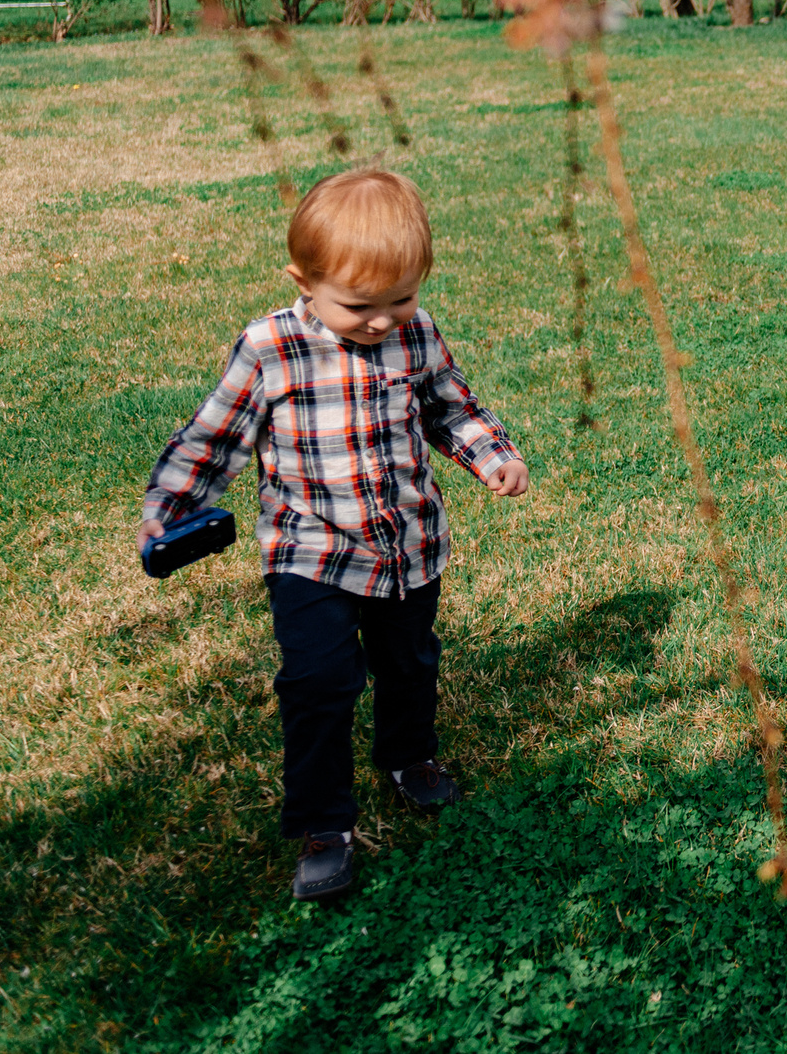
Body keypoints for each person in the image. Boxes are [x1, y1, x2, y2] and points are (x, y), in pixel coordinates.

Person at [138, 169, 528, 901]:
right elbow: (211, 441)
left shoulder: (416, 334)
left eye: (401, 298)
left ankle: (410, 758)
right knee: (318, 682)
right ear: (303, 279)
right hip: (310, 550)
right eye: (360, 305)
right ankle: (324, 824)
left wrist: (494, 455)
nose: (383, 320)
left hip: (408, 545)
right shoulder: (270, 348)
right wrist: (170, 508)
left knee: (409, 661)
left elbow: (452, 408)